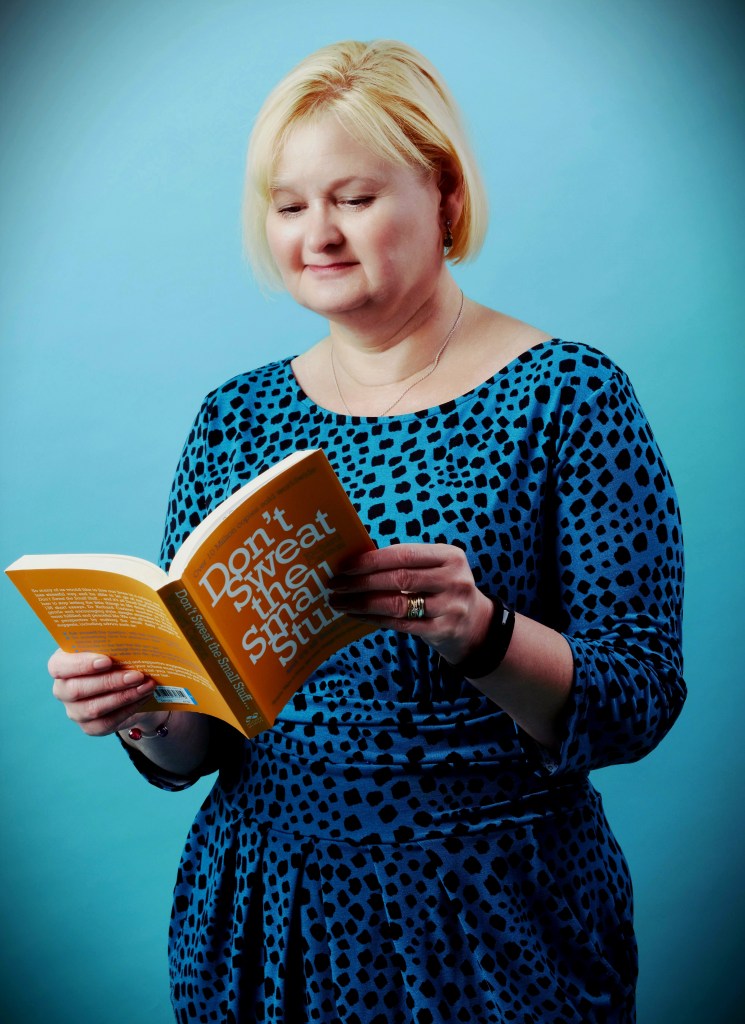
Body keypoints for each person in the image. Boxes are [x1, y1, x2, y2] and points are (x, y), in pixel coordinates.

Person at [48, 39, 685, 1024]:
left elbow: (639, 699)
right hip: (262, 913)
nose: (319, 234)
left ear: (445, 196)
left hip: (491, 918)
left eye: (353, 197)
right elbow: (199, 747)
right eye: (289, 204)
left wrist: (482, 633)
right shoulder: (234, 417)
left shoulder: (568, 394)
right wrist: (141, 710)